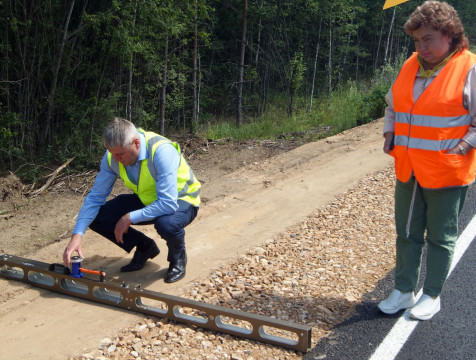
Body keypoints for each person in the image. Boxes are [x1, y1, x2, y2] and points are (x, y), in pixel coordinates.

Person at [379, 1, 476, 320]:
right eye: (417, 40)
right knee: (406, 233)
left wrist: (464, 145)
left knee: (440, 237)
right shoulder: (410, 64)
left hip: (447, 171)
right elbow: (393, 105)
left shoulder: (469, 68)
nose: (422, 46)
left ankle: (431, 295)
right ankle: (403, 290)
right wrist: (388, 131)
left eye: (429, 39)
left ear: (450, 35)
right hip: (408, 169)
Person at [63, 117, 201, 283]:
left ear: (136, 143)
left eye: (120, 154)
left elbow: (168, 203)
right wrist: (77, 235)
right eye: (113, 154)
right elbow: (95, 198)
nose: (116, 160)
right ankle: (145, 246)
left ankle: (177, 258)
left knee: (166, 224)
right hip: (148, 200)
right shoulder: (112, 157)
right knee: (98, 216)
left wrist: (129, 217)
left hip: (181, 200)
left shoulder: (161, 151)